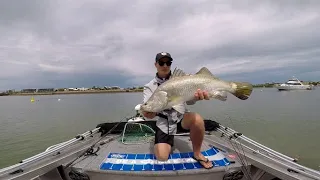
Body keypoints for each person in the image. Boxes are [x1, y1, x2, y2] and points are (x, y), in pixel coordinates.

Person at [141, 52, 213, 169]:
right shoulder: (149, 86)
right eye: (161, 62)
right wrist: (148, 113)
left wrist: (196, 97)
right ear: (156, 64)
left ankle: (197, 153)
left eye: (168, 63)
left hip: (181, 118)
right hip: (164, 123)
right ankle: (165, 141)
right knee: (162, 157)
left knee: (198, 119)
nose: (165, 65)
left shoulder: (183, 79)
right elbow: (149, 108)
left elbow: (189, 102)